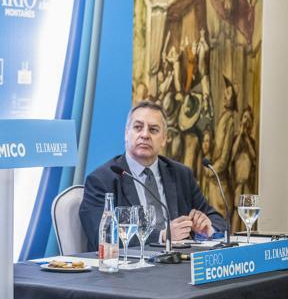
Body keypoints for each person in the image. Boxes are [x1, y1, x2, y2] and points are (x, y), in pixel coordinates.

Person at [79, 101, 225, 252]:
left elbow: (218, 221)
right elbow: (101, 236)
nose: (145, 135)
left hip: (178, 265)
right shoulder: (102, 180)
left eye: (153, 130)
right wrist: (162, 235)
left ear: (164, 138)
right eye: (138, 127)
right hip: (129, 270)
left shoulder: (181, 174)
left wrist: (207, 227)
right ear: (126, 133)